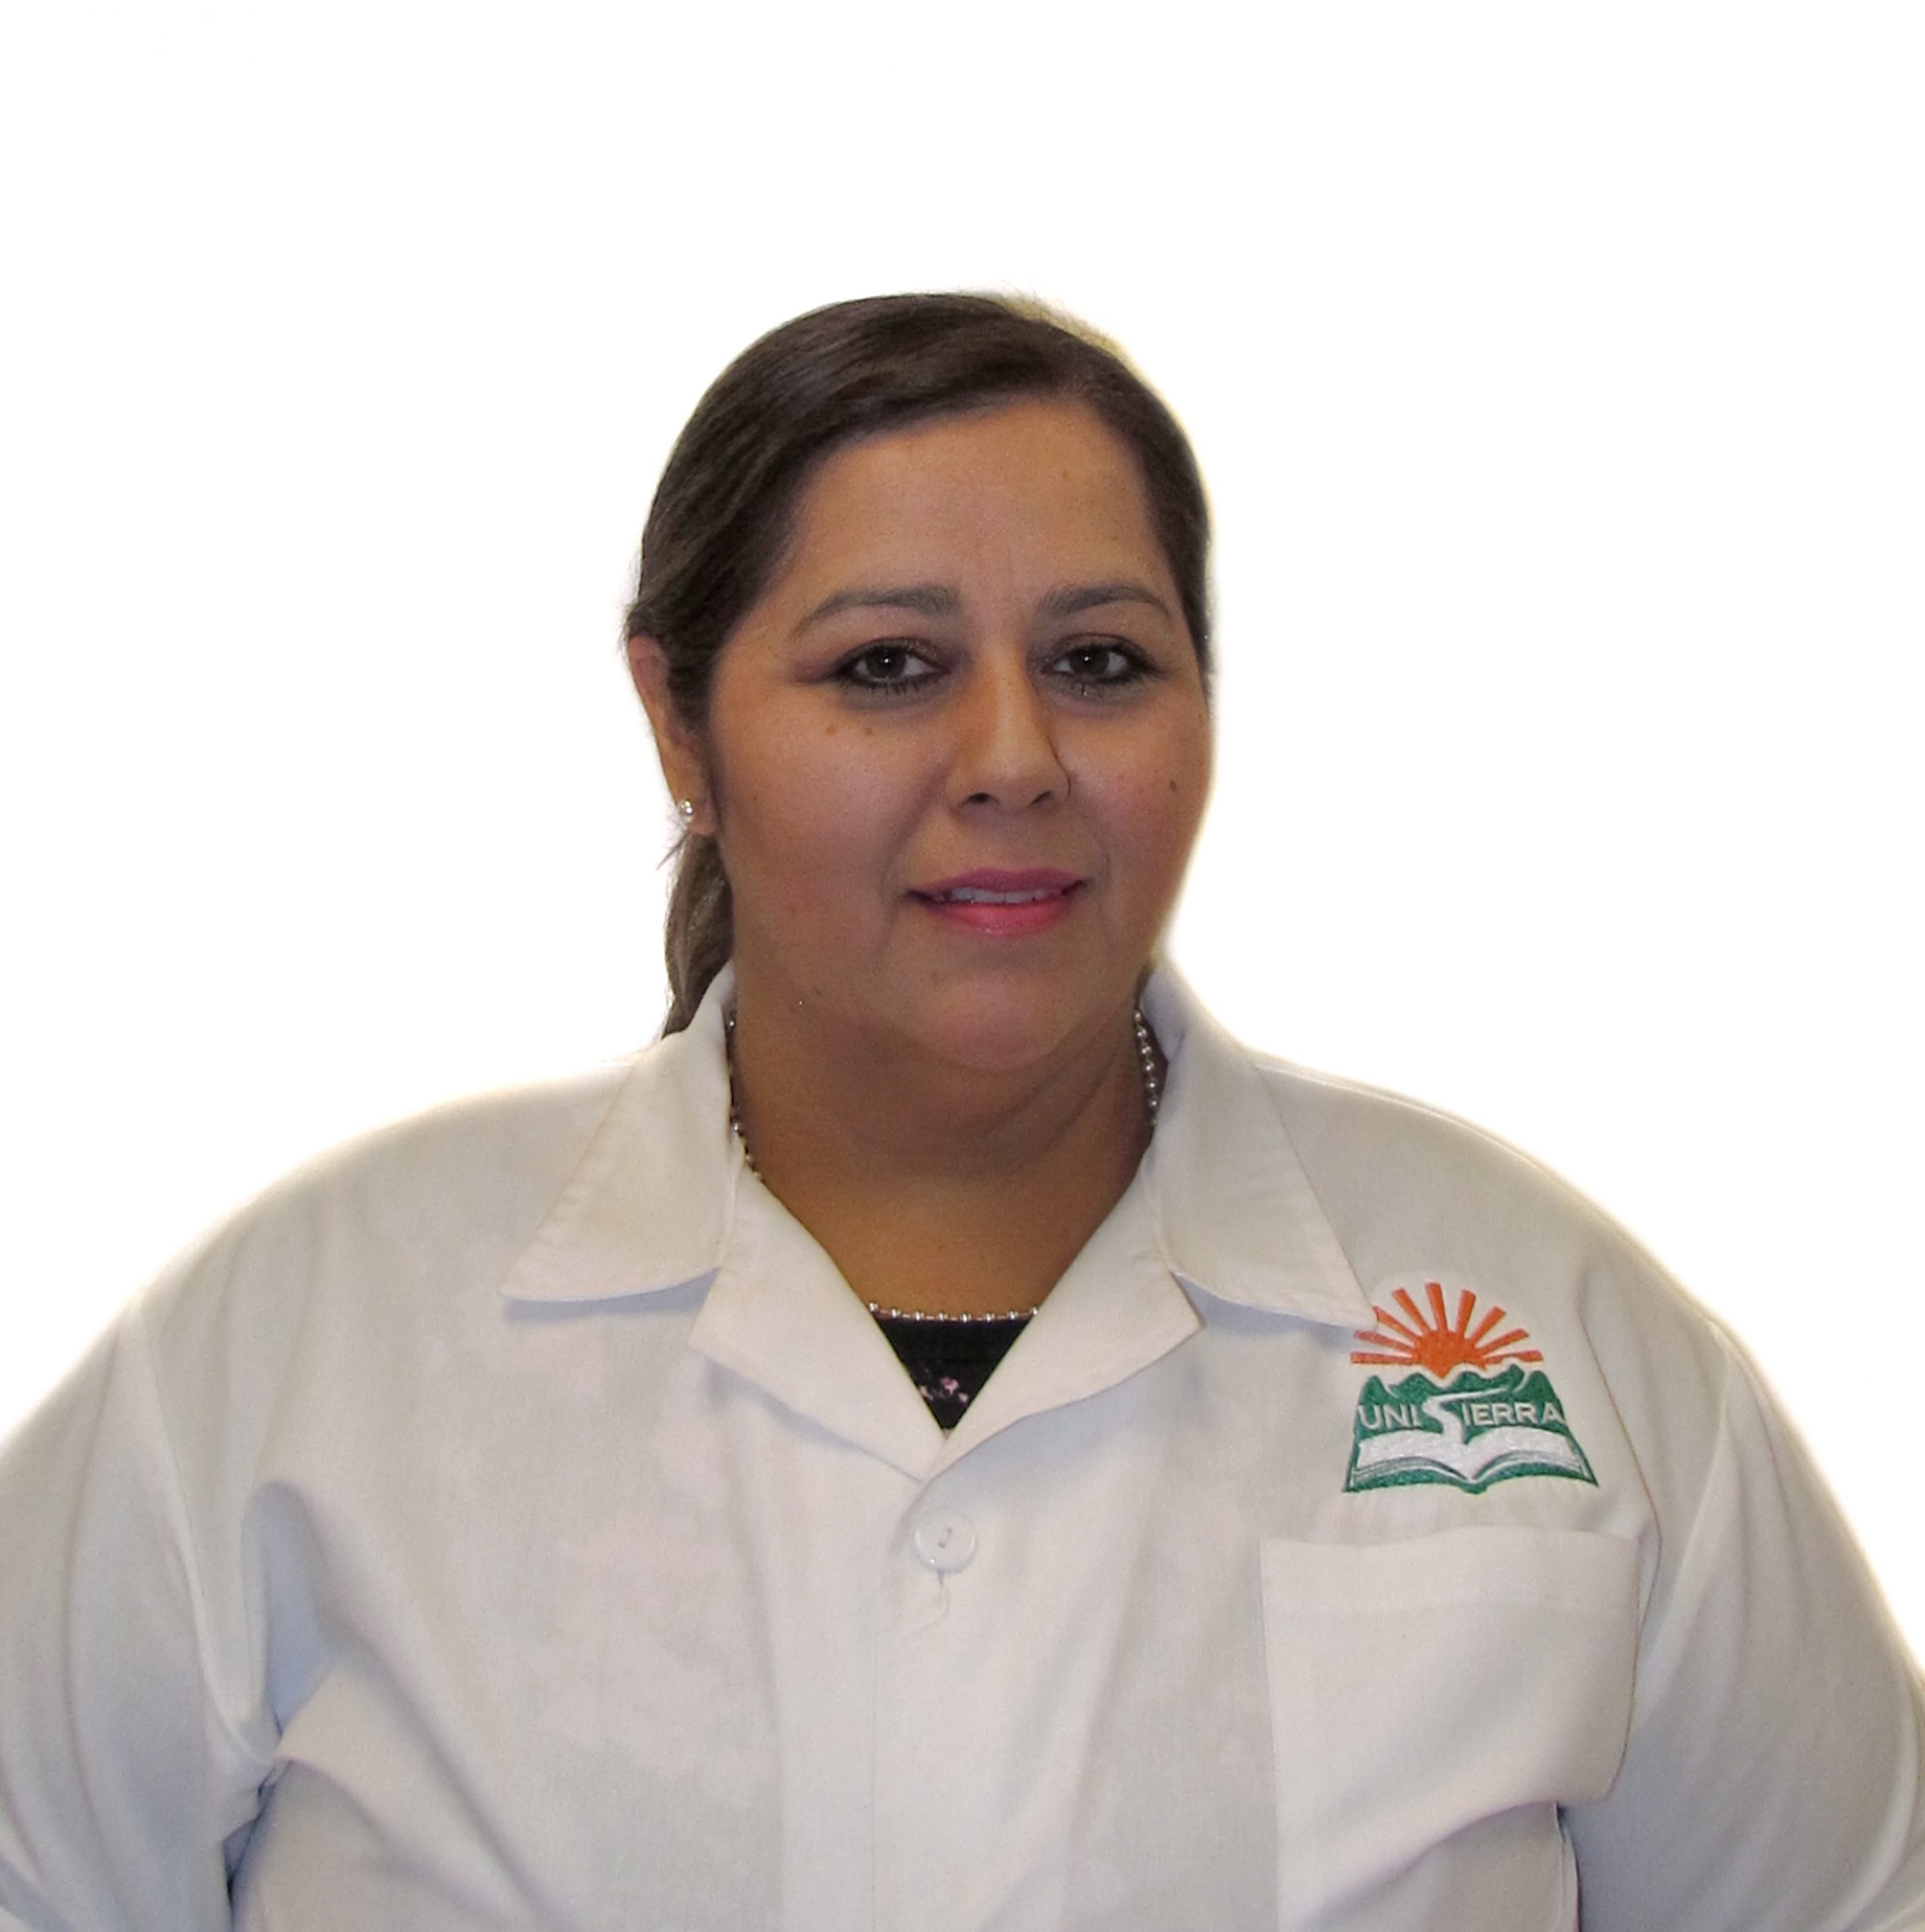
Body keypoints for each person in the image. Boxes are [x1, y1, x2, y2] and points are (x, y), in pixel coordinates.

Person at [0, 294, 1919, 1931]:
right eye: (886, 666)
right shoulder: (302, 1349)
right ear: (678, 721)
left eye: (1098, 661)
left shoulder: (1546, 1329)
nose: (1011, 756)